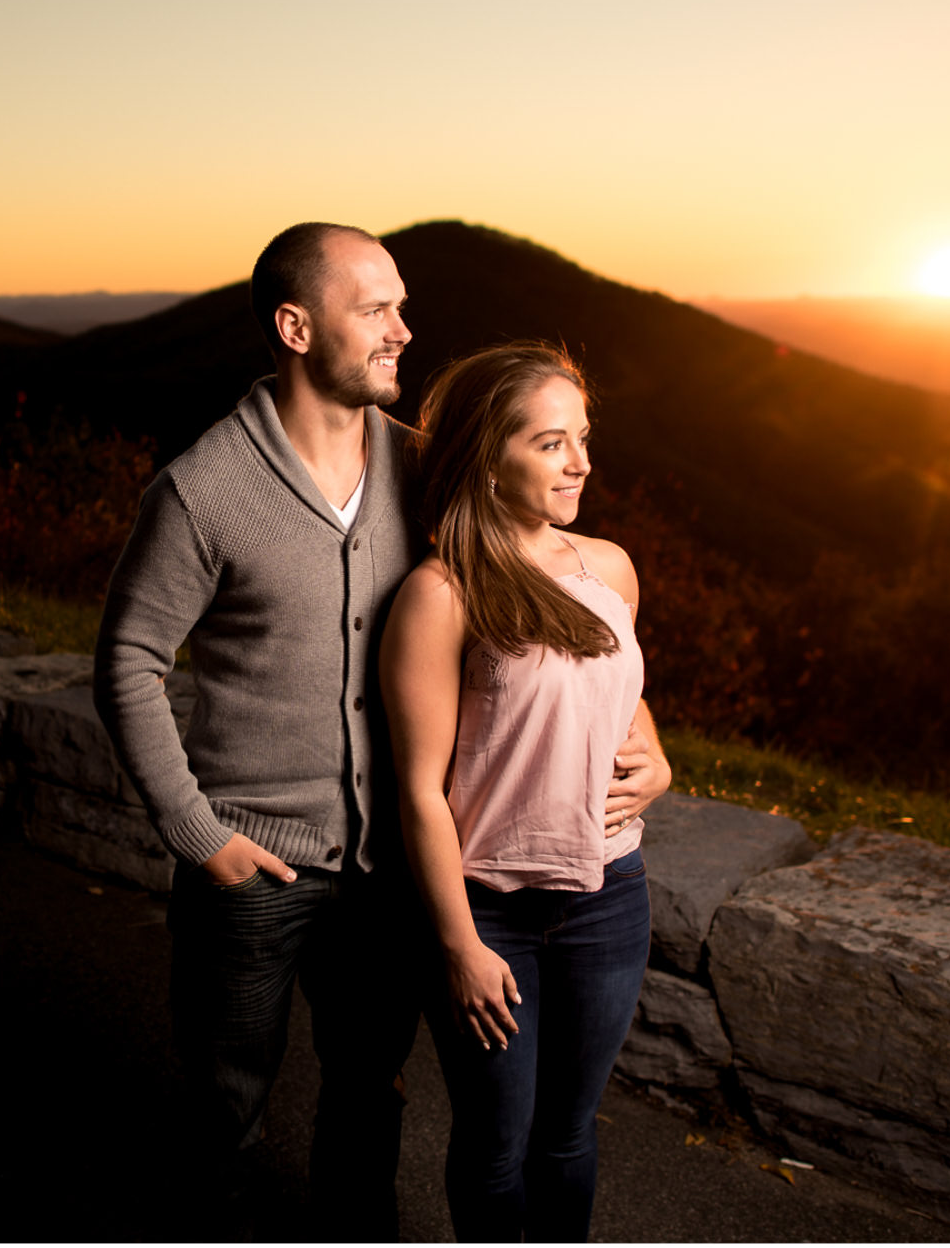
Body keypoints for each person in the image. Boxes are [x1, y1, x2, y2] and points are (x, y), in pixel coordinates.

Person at [95, 223, 669, 1239]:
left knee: (370, 1091)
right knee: (227, 1105)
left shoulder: (422, 475)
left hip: (385, 874)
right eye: (376, 310)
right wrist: (199, 834)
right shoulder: (203, 490)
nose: (404, 329)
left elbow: (558, 622)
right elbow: (127, 663)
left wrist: (646, 740)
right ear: (294, 326)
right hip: (253, 860)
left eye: (401, 305)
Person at [380, 343, 651, 1243]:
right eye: (549, 443)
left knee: (569, 1135)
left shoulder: (608, 569)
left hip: (611, 897)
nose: (579, 462)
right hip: (490, 908)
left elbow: (619, 697)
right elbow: (418, 789)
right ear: (487, 456)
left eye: (581, 437)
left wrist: (660, 762)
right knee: (499, 1140)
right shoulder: (440, 594)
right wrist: (457, 945)